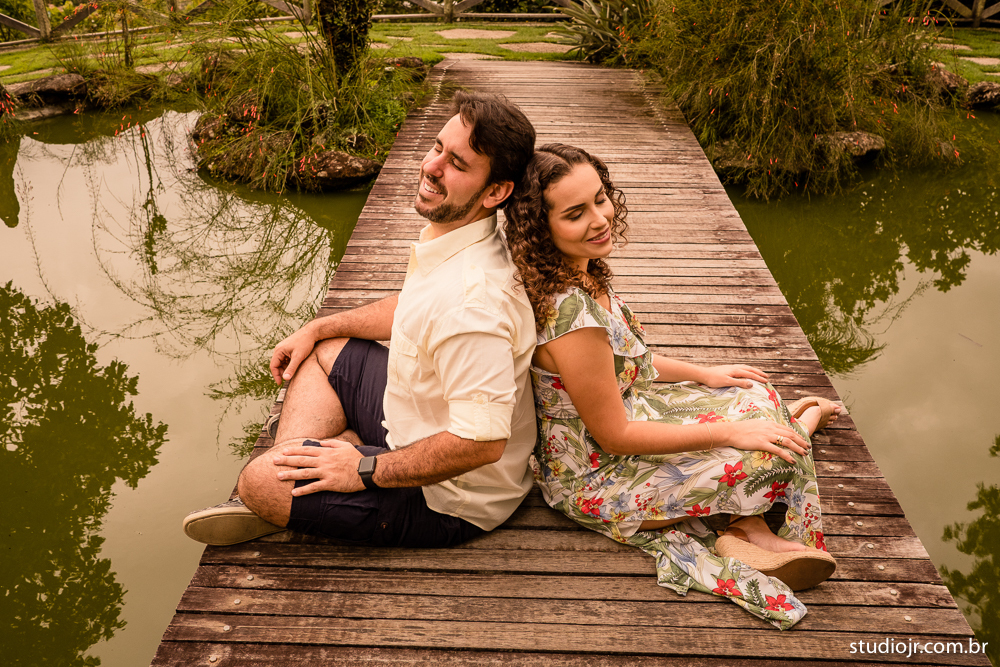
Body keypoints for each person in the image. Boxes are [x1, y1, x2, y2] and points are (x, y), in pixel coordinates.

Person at [502, 143, 842, 630]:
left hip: (631, 411)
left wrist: (705, 374)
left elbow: (624, 365)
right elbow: (615, 436)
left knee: (752, 394)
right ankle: (774, 475)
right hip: (596, 476)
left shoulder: (578, 271)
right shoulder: (572, 317)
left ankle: (744, 523)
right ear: (542, 228)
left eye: (600, 199)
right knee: (765, 450)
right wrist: (728, 433)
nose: (599, 218)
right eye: (576, 213)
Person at [183, 92, 538, 548]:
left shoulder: (474, 305)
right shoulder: (462, 236)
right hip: (410, 422)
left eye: (457, 163)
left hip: (450, 498)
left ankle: (290, 488)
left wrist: (362, 469)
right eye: (437, 148)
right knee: (324, 350)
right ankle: (312, 466)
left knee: (258, 484)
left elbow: (481, 443)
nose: (432, 166)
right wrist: (319, 326)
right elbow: (415, 306)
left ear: (495, 192)